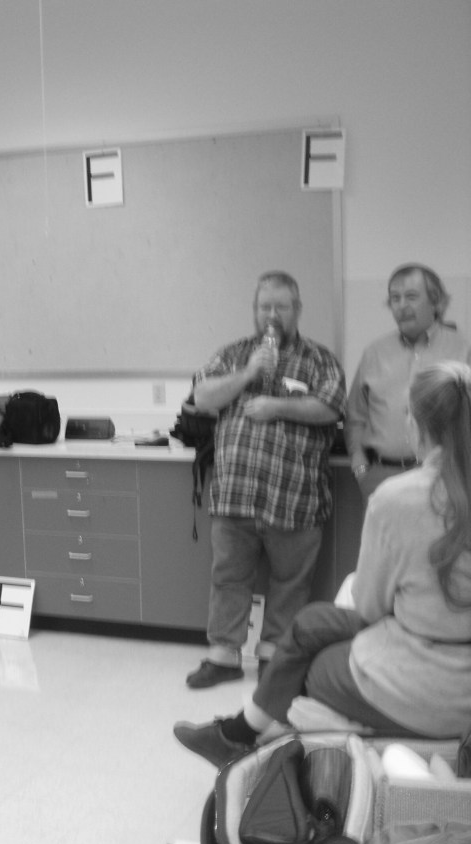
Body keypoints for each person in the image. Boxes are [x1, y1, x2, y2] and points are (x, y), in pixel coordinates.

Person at [174, 360, 471, 768]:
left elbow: (370, 608)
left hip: (430, 685)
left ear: (418, 426)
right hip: (448, 661)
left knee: (309, 667)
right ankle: (240, 732)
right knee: (310, 623)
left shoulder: (398, 499)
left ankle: (253, 738)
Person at [185, 270, 346, 689]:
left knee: (290, 584)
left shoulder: (320, 360)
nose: (271, 315)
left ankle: (275, 659)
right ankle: (223, 657)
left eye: (281, 307)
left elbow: (330, 408)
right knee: (228, 578)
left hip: (294, 498)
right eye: (264, 307)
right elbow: (202, 396)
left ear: (297, 309)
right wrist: (247, 374)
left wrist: (276, 406)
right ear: (254, 310)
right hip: (235, 495)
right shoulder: (233, 354)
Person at [346, 263, 471, 503]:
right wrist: (361, 468)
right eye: (395, 298)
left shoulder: (461, 350)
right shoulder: (374, 353)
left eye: (411, 297)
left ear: (435, 302)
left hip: (444, 478)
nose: (401, 306)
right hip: (380, 478)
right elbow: (356, 418)